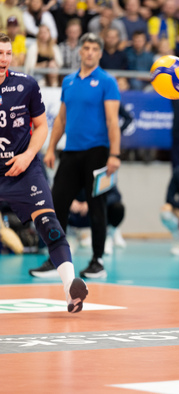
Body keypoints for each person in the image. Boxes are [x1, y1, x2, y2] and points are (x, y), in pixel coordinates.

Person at [0, 32, 87, 312]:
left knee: (50, 226)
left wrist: (27, 155)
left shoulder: (26, 85)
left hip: (24, 170)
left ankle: (71, 289)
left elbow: (41, 126)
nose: (4, 59)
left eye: (7, 53)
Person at [30, 32, 121, 279]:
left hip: (98, 153)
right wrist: (50, 148)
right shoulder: (69, 81)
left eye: (94, 48)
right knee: (55, 205)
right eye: (86, 48)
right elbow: (60, 119)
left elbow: (113, 121)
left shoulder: (107, 82)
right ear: (80, 51)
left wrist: (114, 154)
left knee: (97, 207)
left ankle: (97, 260)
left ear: (100, 53)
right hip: (70, 153)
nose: (90, 52)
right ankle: (56, 260)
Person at [68, 187, 126, 255]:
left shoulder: (102, 177)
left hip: (96, 212)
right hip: (75, 213)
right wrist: (69, 200)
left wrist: (92, 203)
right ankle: (69, 237)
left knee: (117, 208)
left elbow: (116, 195)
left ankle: (108, 236)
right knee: (57, 205)